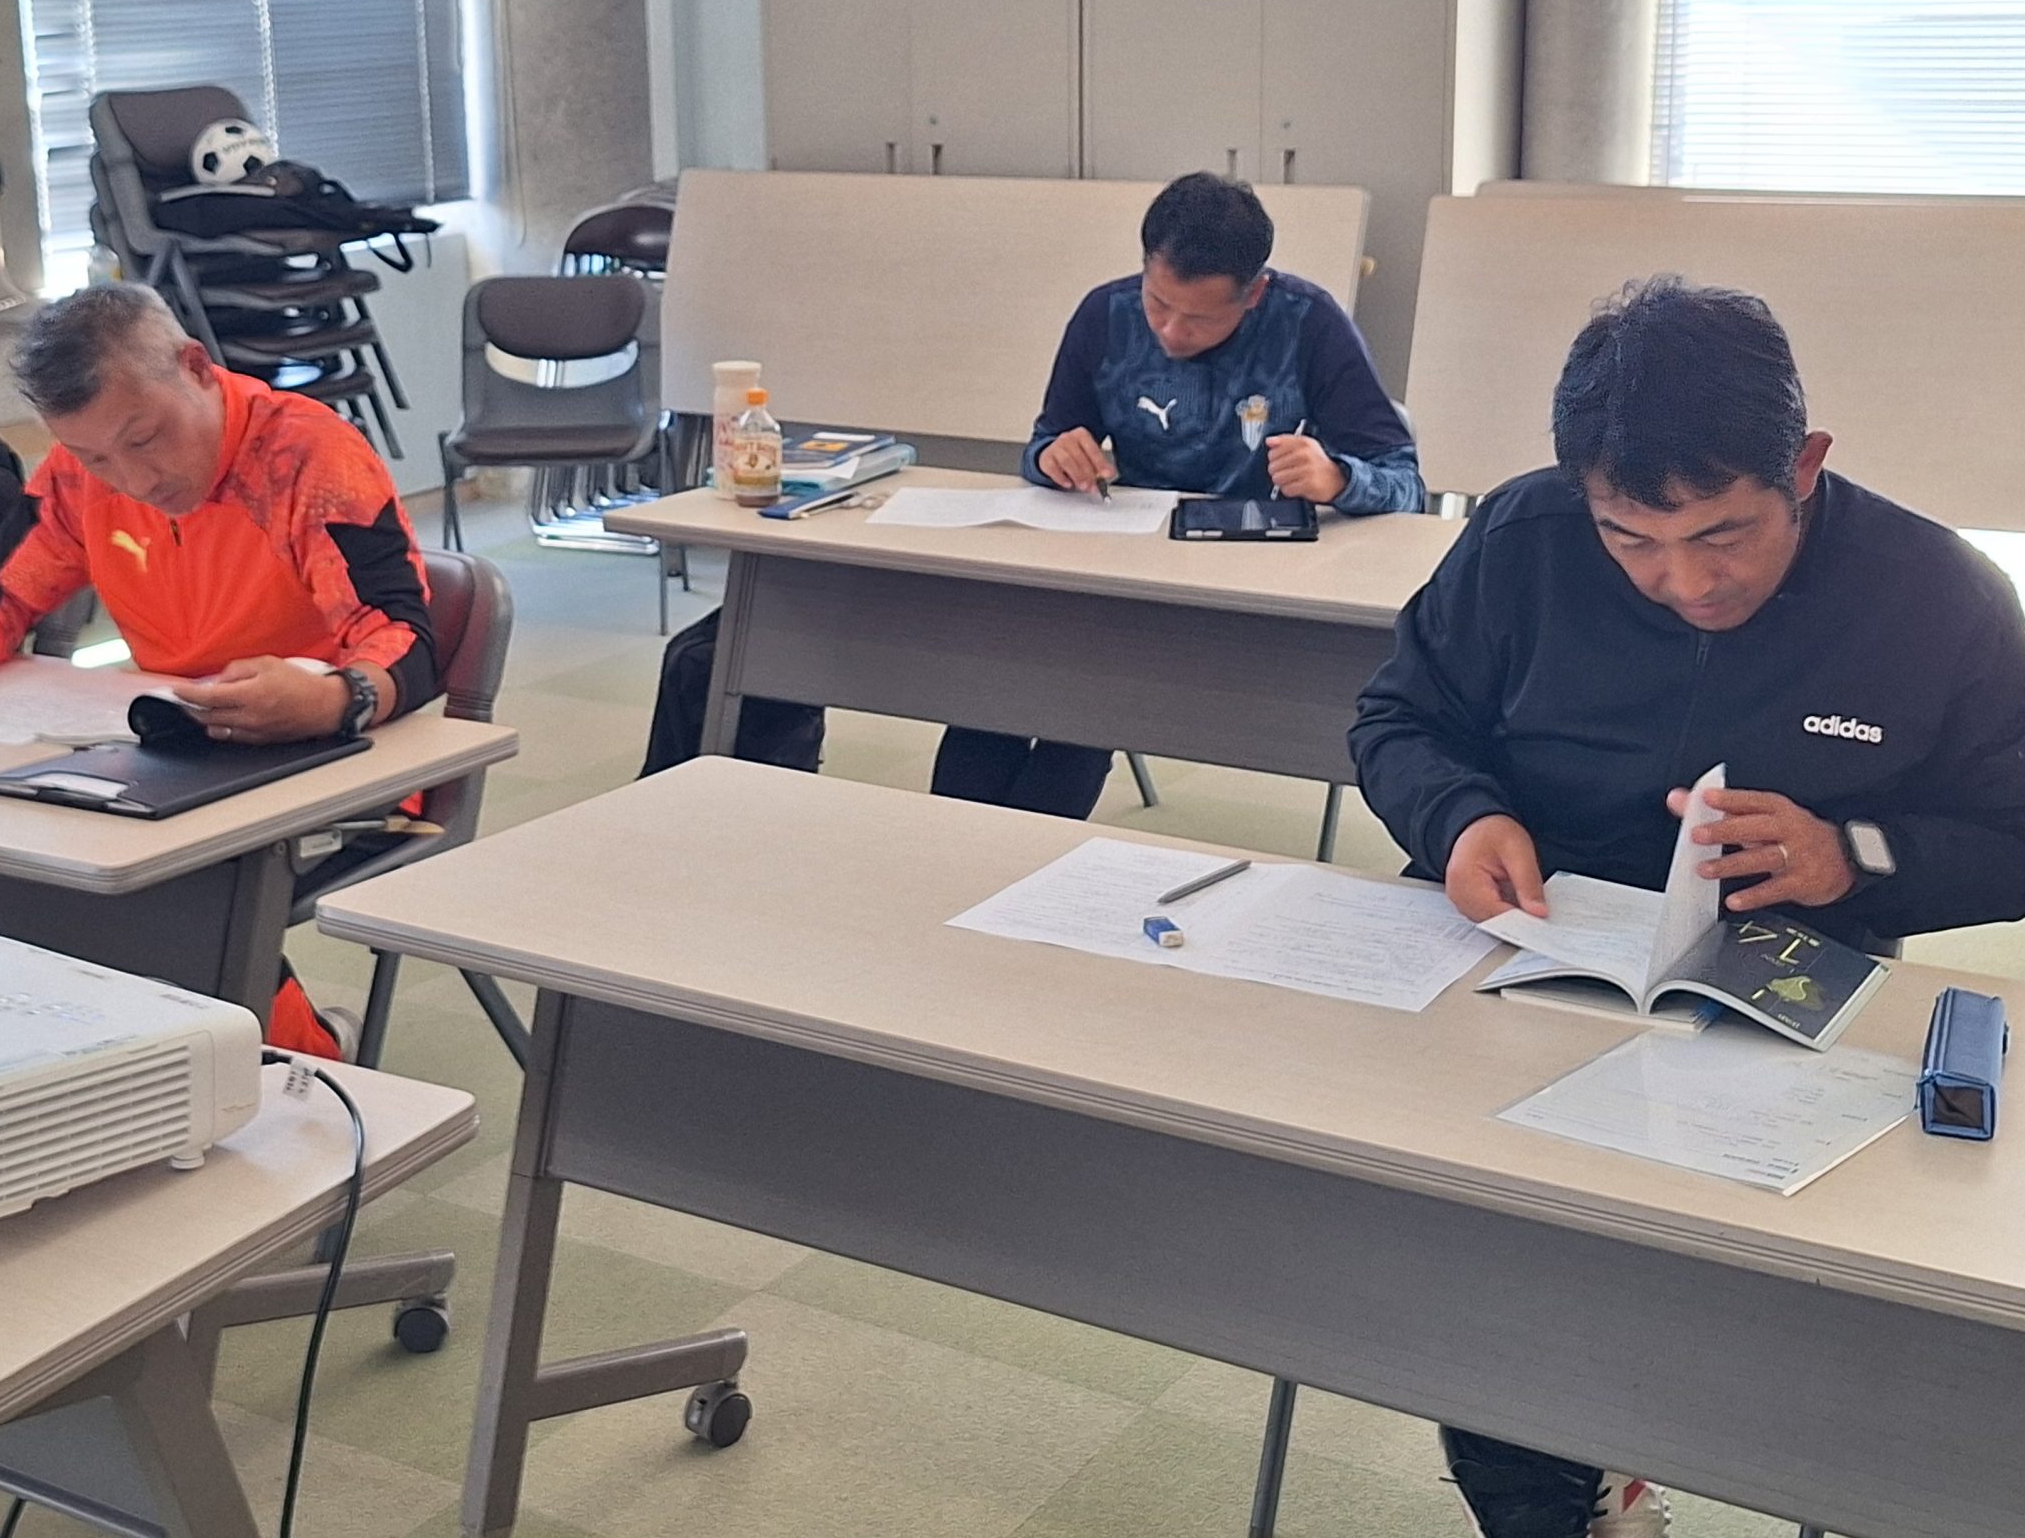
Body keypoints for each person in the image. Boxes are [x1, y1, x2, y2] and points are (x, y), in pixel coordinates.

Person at [1349, 277, 2025, 1538]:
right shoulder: (1522, 536)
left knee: (1828, 1324)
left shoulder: (1935, 593)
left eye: (1724, 535)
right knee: (1469, 1253)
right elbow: (1399, 717)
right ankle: (1559, 1495)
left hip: (1790, 998)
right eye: (1630, 540)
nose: (1683, 582)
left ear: (1804, 468)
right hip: (1518, 961)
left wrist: (1854, 856)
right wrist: (1458, 820)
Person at [641, 171, 1425, 812]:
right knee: (1004, 683)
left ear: (1253, 295)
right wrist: (1057, 456)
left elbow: (1404, 481)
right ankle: (961, 851)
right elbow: (1045, 441)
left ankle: (1008, 856)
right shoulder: (1105, 314)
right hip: (1114, 562)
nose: (1170, 332)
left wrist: (1338, 477)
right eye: (1159, 304)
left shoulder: (1307, 323)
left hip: (1240, 585)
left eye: (1199, 319)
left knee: (1079, 700)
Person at [0, 282, 437, 1059]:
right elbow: (0, 589)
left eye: (145, 439)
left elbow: (406, 639)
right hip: (175, 749)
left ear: (197, 368)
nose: (133, 480)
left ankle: (303, 1062)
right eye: (93, 457)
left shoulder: (306, 456)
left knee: (161, 885)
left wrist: (328, 700)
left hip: (337, 756)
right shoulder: (81, 476)